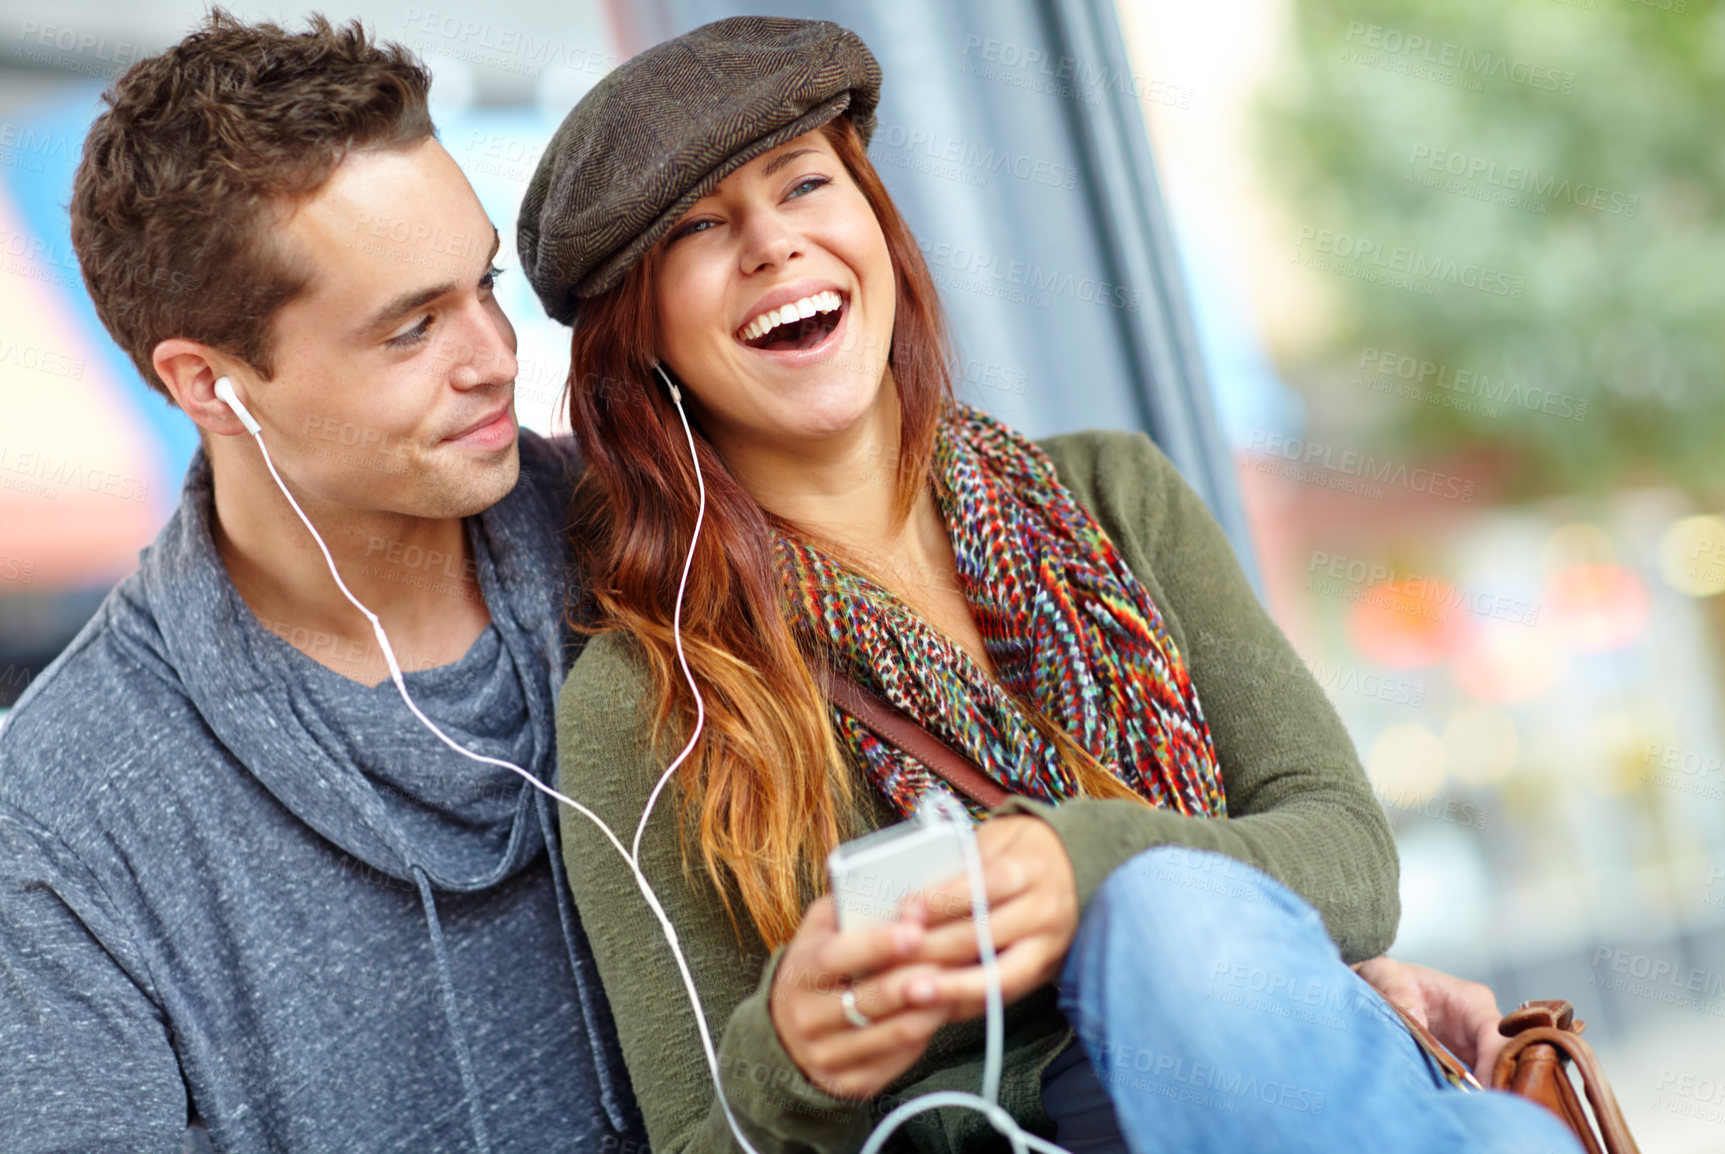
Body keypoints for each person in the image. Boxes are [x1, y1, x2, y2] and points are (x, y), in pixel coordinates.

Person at [520, 16, 1587, 1154]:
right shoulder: (644, 695)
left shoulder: (1115, 490)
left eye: (805, 185)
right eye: (699, 226)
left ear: (877, 223)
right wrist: (792, 1059)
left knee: (1165, 914)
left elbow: (1348, 858)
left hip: (1277, 1080)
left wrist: (1083, 864)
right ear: (640, 332)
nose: (775, 246)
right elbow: (697, 1134)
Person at [0, 13, 645, 1152]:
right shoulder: (56, 821)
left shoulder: (654, 537)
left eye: (482, 282)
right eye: (411, 329)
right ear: (208, 381)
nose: (496, 354)